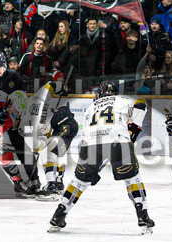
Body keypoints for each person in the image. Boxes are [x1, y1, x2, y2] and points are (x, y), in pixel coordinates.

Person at [48, 81, 154, 233]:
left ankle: (59, 215)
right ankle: (143, 216)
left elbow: (85, 134)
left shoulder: (90, 108)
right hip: (118, 140)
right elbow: (141, 103)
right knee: (132, 178)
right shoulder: (121, 100)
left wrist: (90, 163)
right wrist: (134, 129)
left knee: (79, 182)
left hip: (90, 145)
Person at [23, 72, 79, 200]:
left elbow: (51, 85)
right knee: (55, 153)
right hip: (64, 126)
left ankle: (52, 186)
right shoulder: (29, 119)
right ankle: (58, 183)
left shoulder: (38, 99)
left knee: (50, 152)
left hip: (66, 125)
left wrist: (61, 87)